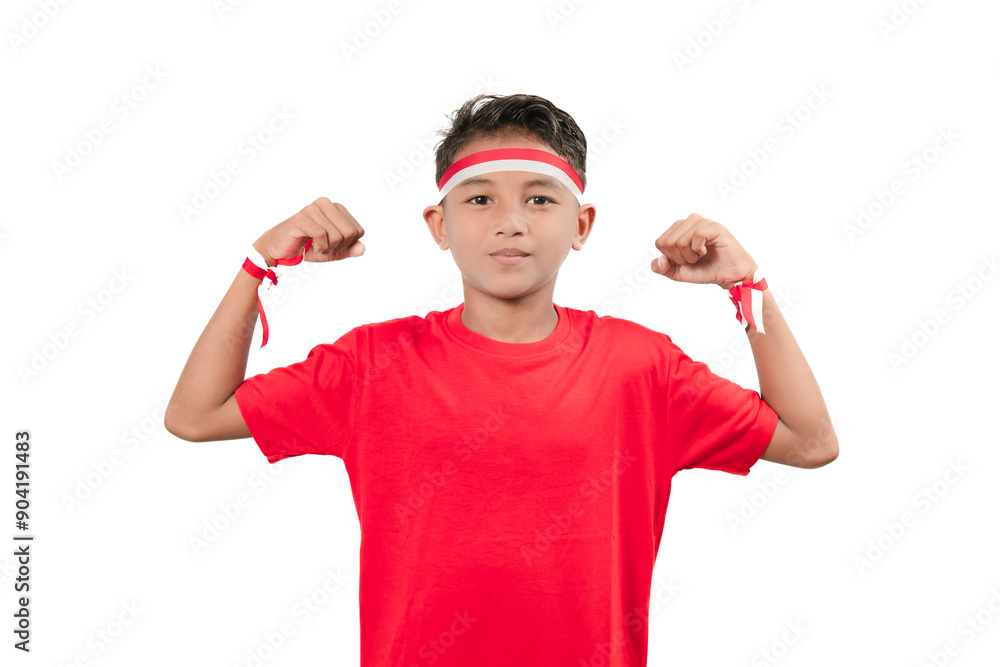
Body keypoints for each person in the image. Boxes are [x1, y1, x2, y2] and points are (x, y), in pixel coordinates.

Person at [165, 93, 839, 667]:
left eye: (539, 198)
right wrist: (259, 264)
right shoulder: (374, 364)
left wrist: (748, 288)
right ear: (439, 225)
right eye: (480, 198)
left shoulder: (639, 367)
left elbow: (809, 441)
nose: (510, 220)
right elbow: (194, 414)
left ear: (581, 225)